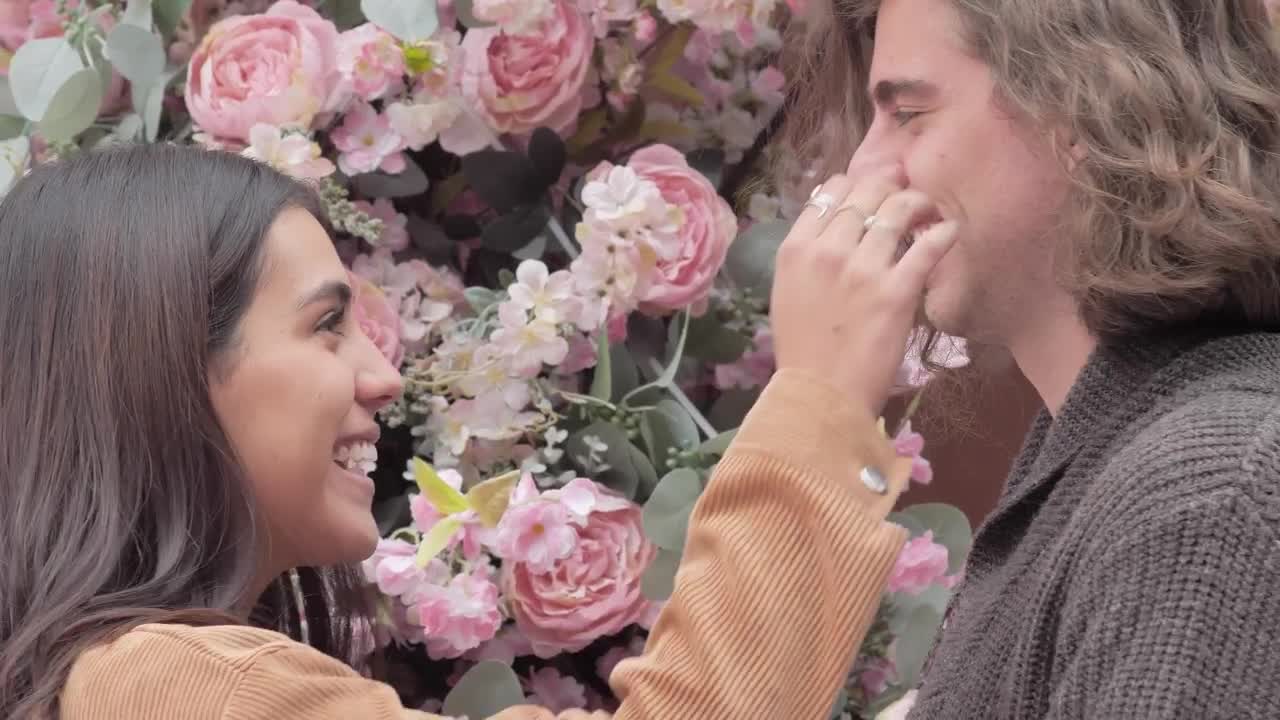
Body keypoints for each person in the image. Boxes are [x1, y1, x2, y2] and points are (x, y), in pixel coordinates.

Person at [0, 143, 952, 719]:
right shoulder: (183, 686)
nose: (382, 374)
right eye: (325, 325)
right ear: (160, 364)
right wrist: (825, 397)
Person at [777, 0, 1280, 716]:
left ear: (1085, 106)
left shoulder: (1206, 496)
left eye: (910, 113)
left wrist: (814, 405)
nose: (866, 168)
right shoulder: (1106, 460)